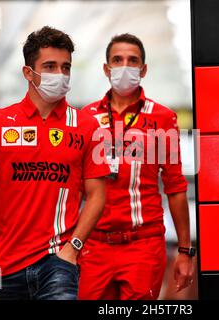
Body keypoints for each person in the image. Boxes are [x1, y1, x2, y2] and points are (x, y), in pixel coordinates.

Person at [0, 26, 109, 300]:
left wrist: (73, 248)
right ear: (28, 72)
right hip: (5, 265)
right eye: (50, 66)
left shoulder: (87, 126)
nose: (59, 75)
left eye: (65, 67)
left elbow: (97, 196)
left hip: (58, 262)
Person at [78, 33, 195, 300]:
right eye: (117, 60)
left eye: (133, 61)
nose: (124, 67)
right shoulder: (86, 118)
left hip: (143, 244)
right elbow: (73, 185)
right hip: (94, 245)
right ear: (106, 69)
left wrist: (186, 251)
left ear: (143, 69)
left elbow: (176, 187)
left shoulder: (163, 118)